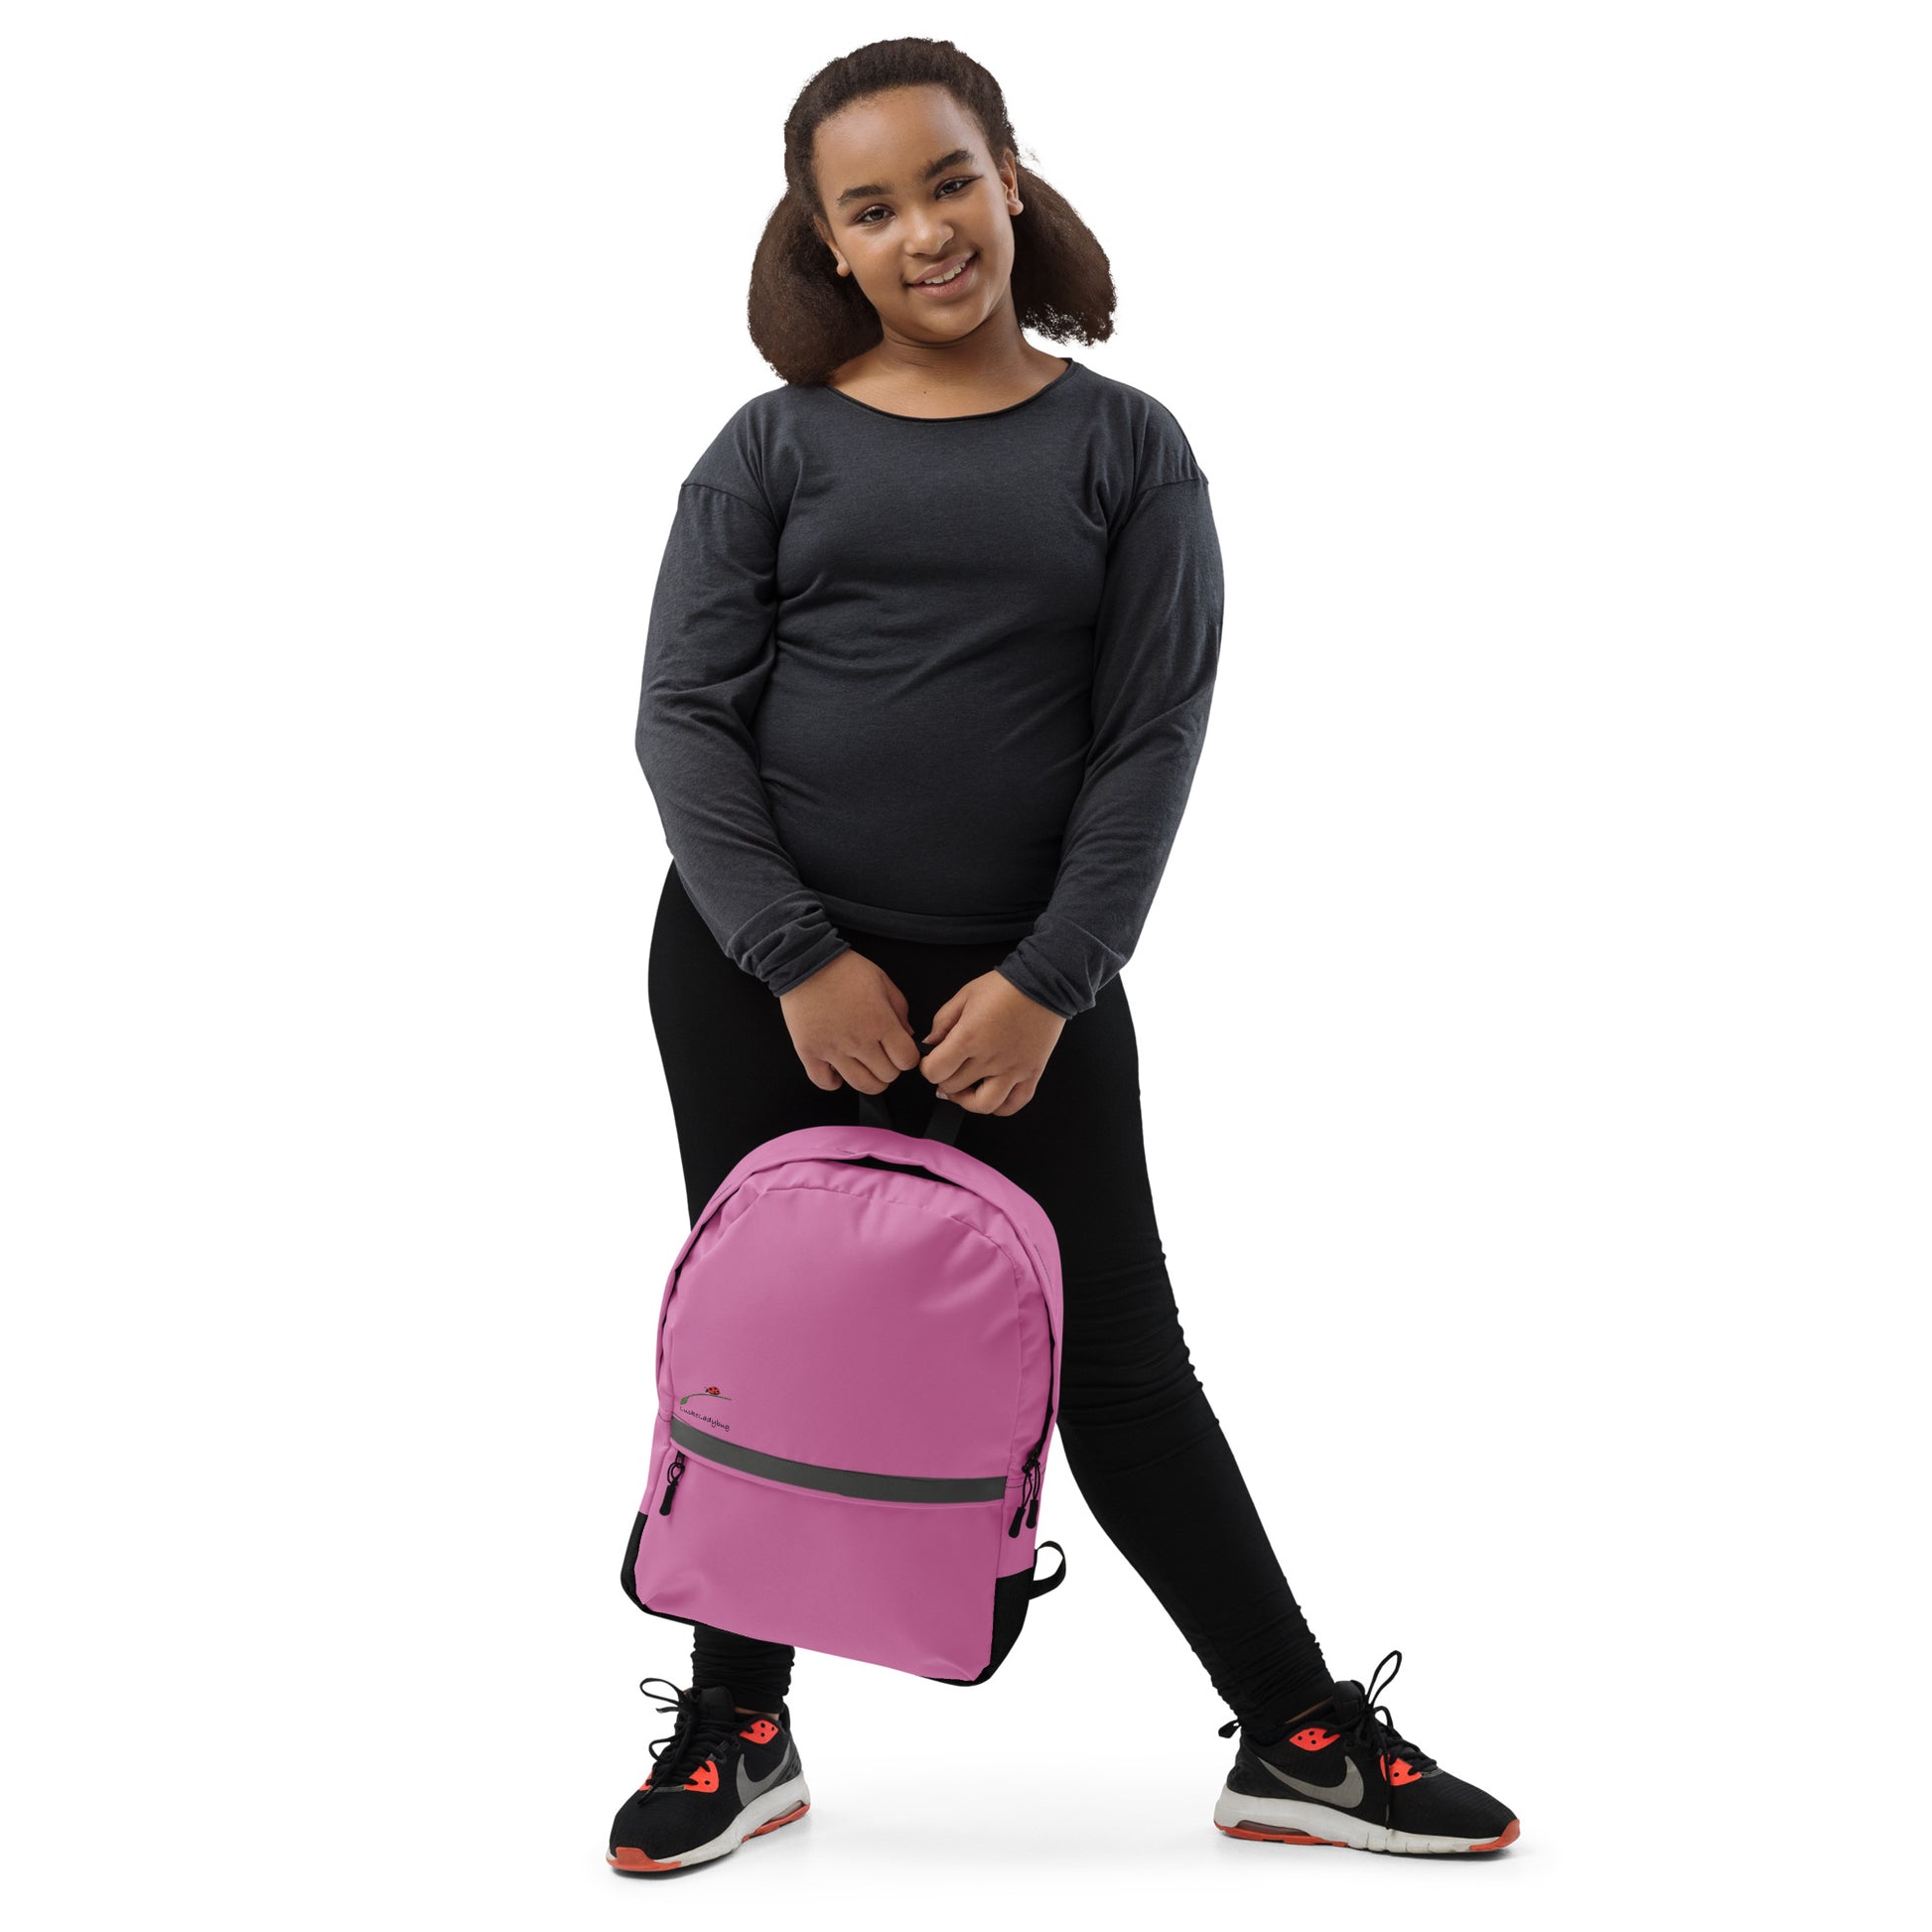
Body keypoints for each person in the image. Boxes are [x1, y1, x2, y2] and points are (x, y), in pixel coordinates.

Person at [609, 37, 1517, 1874]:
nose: (925, 230)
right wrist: (795, 956)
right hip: (756, 973)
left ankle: (1295, 1734)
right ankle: (737, 1724)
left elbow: (1147, 737)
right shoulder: (770, 448)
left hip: (1031, 982)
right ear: (827, 241)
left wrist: (1048, 979)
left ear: (1009, 180)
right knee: (773, 1339)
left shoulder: (1126, 447)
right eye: (873, 207)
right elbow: (681, 720)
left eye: (950, 181)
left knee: (1117, 1360)